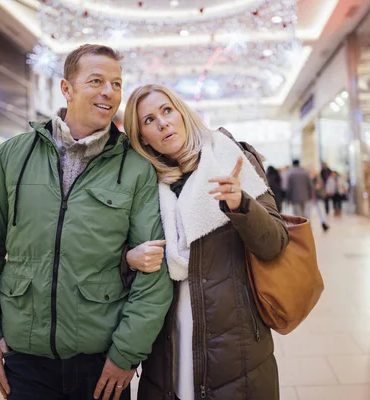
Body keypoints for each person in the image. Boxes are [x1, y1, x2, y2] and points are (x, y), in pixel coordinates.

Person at [0, 45, 173, 400]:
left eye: (117, 83)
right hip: (25, 360)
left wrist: (125, 353)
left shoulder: (134, 168)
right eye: (96, 81)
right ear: (66, 88)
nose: (109, 91)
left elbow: (155, 269)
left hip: (100, 361)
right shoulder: (13, 156)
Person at [123, 84, 289, 400]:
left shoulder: (230, 157)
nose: (162, 123)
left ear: (182, 113)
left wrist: (241, 204)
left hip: (234, 345)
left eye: (167, 110)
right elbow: (115, 248)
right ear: (143, 137)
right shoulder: (143, 183)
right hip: (166, 344)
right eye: (149, 120)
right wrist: (129, 258)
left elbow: (275, 242)